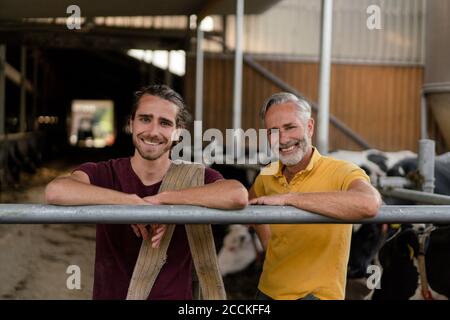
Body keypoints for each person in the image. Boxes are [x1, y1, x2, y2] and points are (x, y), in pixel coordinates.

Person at [45, 84, 248, 300]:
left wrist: (165, 200)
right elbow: (56, 191)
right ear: (131, 123)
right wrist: (128, 202)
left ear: (178, 132)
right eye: (144, 119)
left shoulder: (195, 178)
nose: (153, 131)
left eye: (165, 123)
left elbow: (237, 195)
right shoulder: (105, 173)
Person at [249, 92, 382, 300]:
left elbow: (369, 204)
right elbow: (251, 202)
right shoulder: (267, 174)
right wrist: (269, 247)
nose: (282, 139)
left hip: (316, 296)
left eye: (290, 127)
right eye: (273, 131)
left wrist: (289, 199)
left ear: (309, 127)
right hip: (267, 291)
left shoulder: (342, 171)